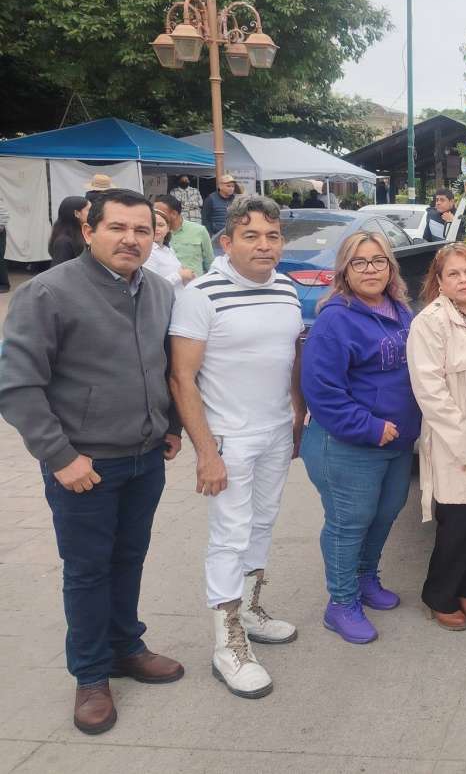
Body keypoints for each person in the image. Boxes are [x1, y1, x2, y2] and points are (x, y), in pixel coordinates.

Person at [0, 189, 184, 735]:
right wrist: (61, 457)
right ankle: (90, 675)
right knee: (86, 572)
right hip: (84, 467)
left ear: (156, 236)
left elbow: (164, 365)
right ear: (88, 231)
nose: (131, 239)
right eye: (118, 228)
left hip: (144, 459)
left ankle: (126, 646)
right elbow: (17, 385)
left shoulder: (157, 291)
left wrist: (169, 426)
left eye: (143, 230)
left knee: (129, 559)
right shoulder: (47, 293)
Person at [169, 195, 305, 699]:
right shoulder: (201, 294)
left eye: (272, 236)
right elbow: (181, 378)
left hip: (274, 432)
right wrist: (205, 451)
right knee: (230, 534)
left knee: (263, 522)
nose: (263, 245)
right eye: (251, 236)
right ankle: (227, 643)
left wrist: (296, 413)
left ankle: (249, 608)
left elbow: (290, 356)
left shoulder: (288, 289)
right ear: (227, 241)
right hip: (227, 437)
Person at [299, 231, 421, 643]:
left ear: (391, 267)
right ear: (344, 271)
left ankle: (366, 578)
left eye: (379, 261)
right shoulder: (336, 318)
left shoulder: (400, 309)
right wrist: (370, 426)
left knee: (386, 513)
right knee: (348, 523)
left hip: (397, 443)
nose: (371, 270)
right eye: (360, 262)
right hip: (350, 445)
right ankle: (341, 602)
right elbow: (321, 389)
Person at [408, 244, 466, 630]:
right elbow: (430, 391)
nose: (464, 280)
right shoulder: (430, 323)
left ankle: (465, 589)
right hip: (456, 440)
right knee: (458, 521)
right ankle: (439, 595)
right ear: (439, 282)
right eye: (454, 274)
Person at [152, 194, 214, 276]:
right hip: (166, 285)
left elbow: (210, 263)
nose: (155, 215)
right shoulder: (154, 234)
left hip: (195, 285)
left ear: (174, 214)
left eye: (160, 212)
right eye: (154, 212)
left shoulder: (199, 230)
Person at [142, 207, 194, 293]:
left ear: (168, 228)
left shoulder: (168, 249)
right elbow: (152, 286)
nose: (156, 229)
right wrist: (180, 275)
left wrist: (187, 277)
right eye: (152, 225)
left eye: (160, 225)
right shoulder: (148, 251)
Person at [49, 196, 90, 266]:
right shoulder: (63, 242)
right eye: (89, 210)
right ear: (77, 213)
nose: (93, 213)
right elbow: (59, 271)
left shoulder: (82, 233)